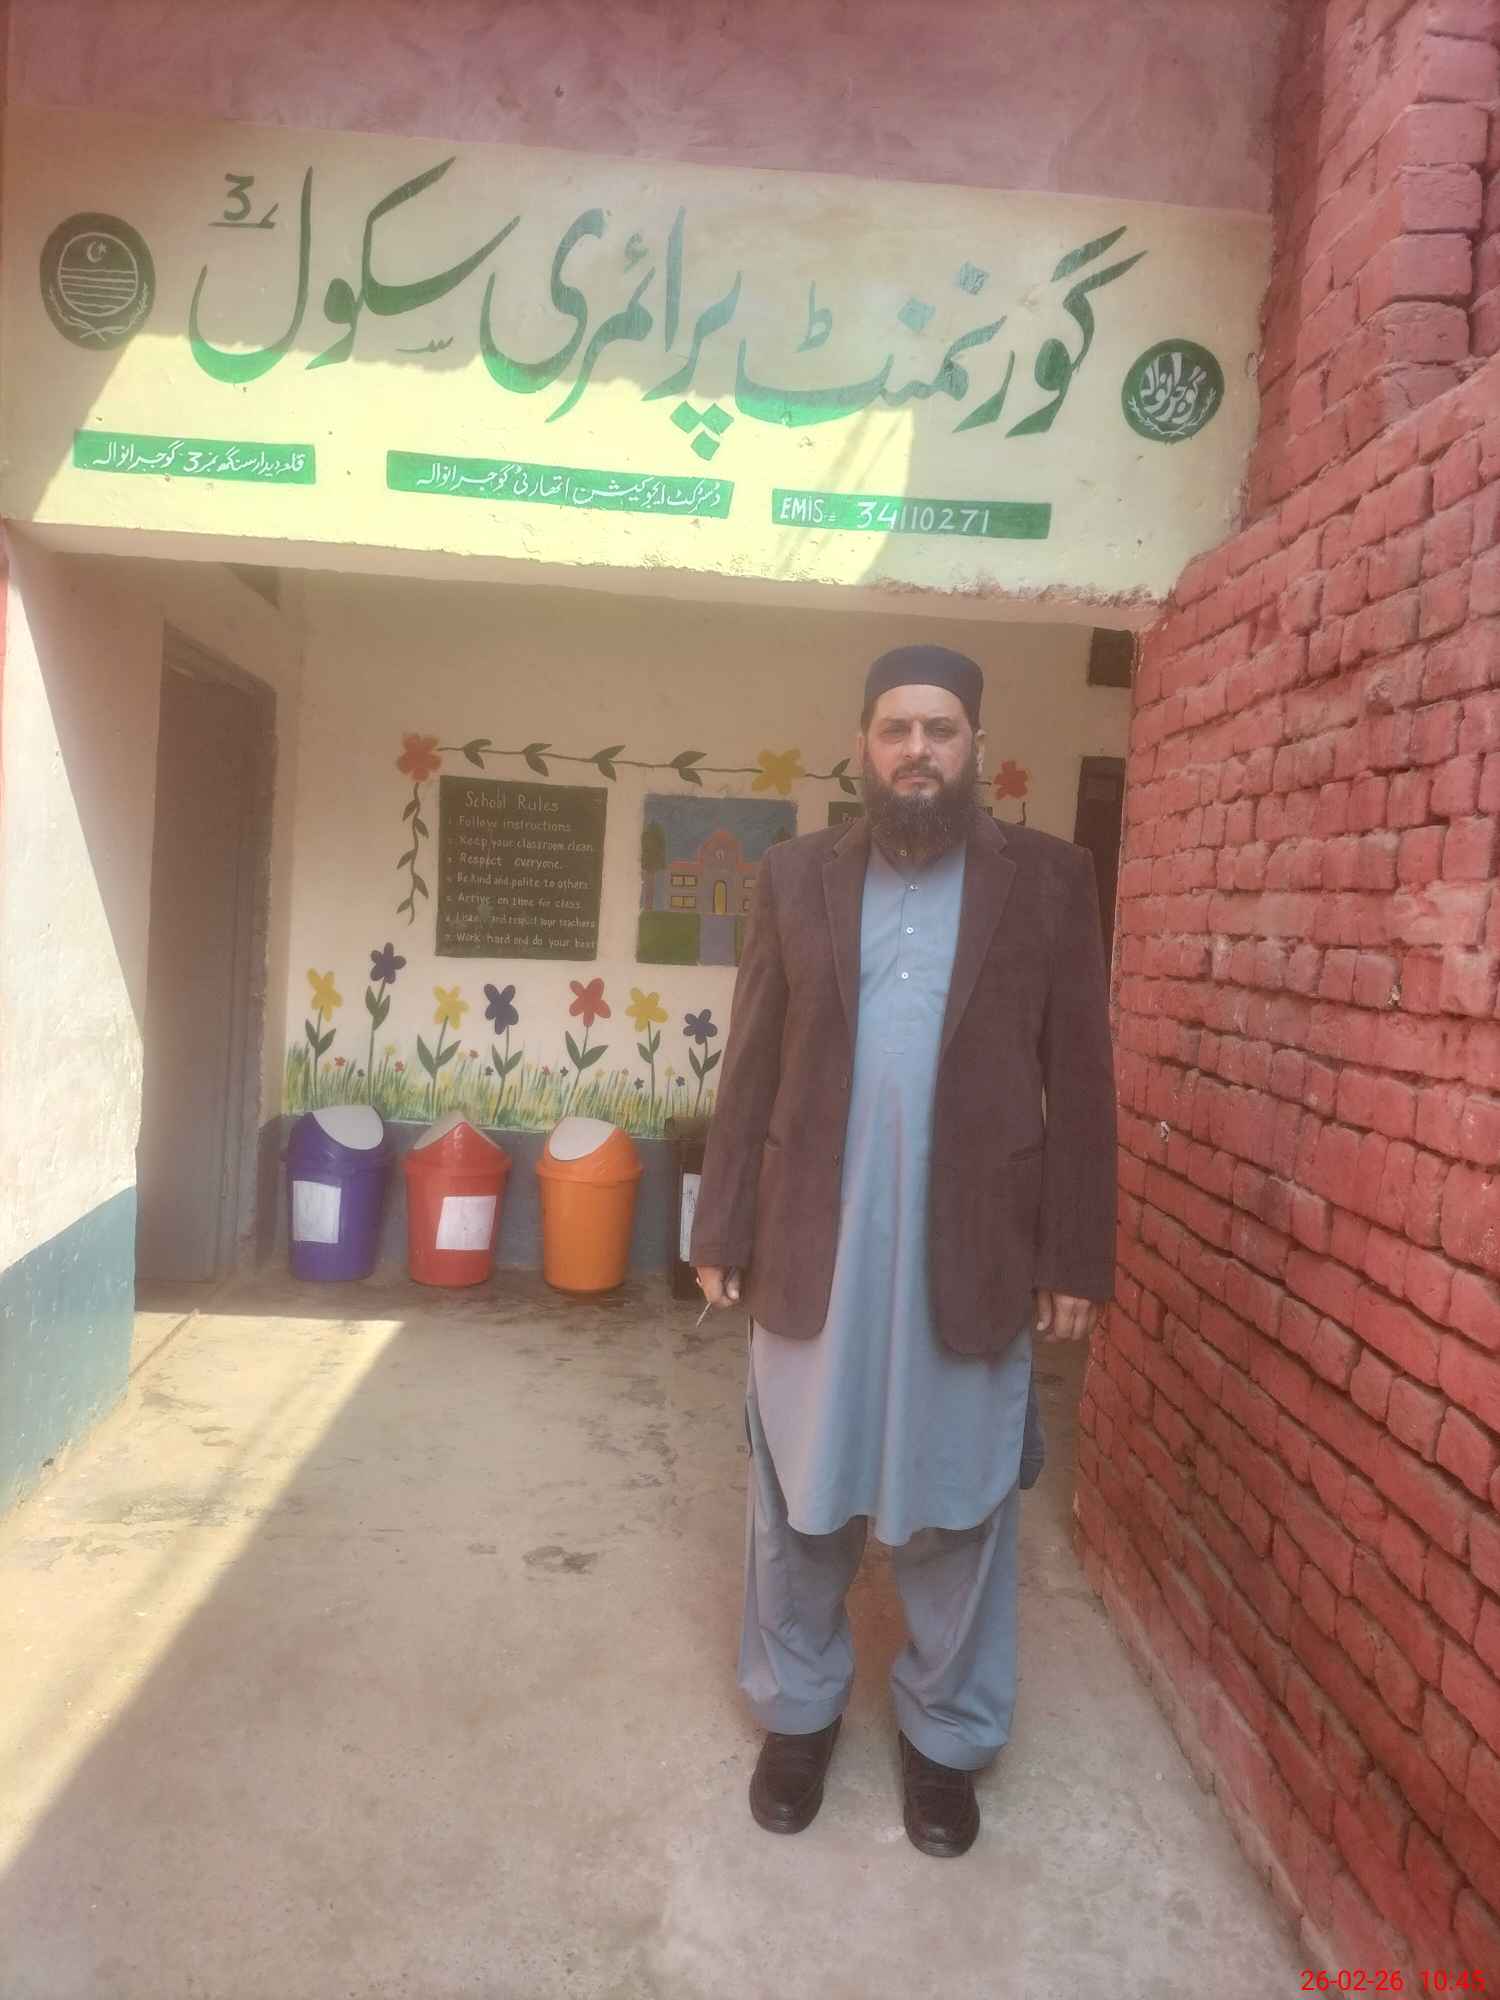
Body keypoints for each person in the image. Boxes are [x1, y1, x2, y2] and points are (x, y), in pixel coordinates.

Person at [691, 643, 1116, 1857]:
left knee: (961, 1492)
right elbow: (751, 1061)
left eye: (940, 729)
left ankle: (947, 1735)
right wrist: (721, 1223)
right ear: (863, 745)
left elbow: (1081, 1073)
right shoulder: (794, 874)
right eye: (896, 729)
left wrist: (1075, 1253)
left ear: (975, 744)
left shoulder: (1049, 878)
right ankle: (798, 1712)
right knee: (798, 1488)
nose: (917, 750)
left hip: (973, 1246)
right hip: (815, 1237)